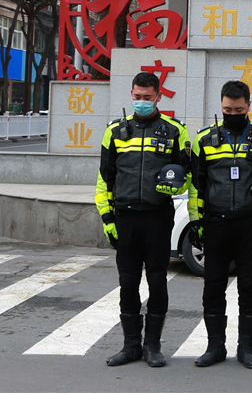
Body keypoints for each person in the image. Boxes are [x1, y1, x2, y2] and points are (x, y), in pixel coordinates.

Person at [95, 72, 191, 368]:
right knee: (127, 282)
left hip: (157, 217)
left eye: (147, 98)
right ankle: (130, 345)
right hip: (125, 218)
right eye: (137, 97)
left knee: (157, 280)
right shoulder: (114, 131)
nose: (142, 102)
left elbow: (189, 175)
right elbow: (104, 179)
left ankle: (153, 346)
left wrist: (176, 187)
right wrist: (107, 219)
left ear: (158, 96)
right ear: (131, 94)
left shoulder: (175, 131)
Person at [189, 80, 252, 369]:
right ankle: (215, 346)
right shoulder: (204, 139)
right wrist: (196, 222)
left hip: (250, 222)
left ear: (248, 106)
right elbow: (196, 185)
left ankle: (247, 348)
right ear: (221, 105)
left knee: (250, 286)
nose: (232, 114)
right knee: (213, 286)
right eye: (227, 110)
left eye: (238, 110)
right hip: (216, 222)